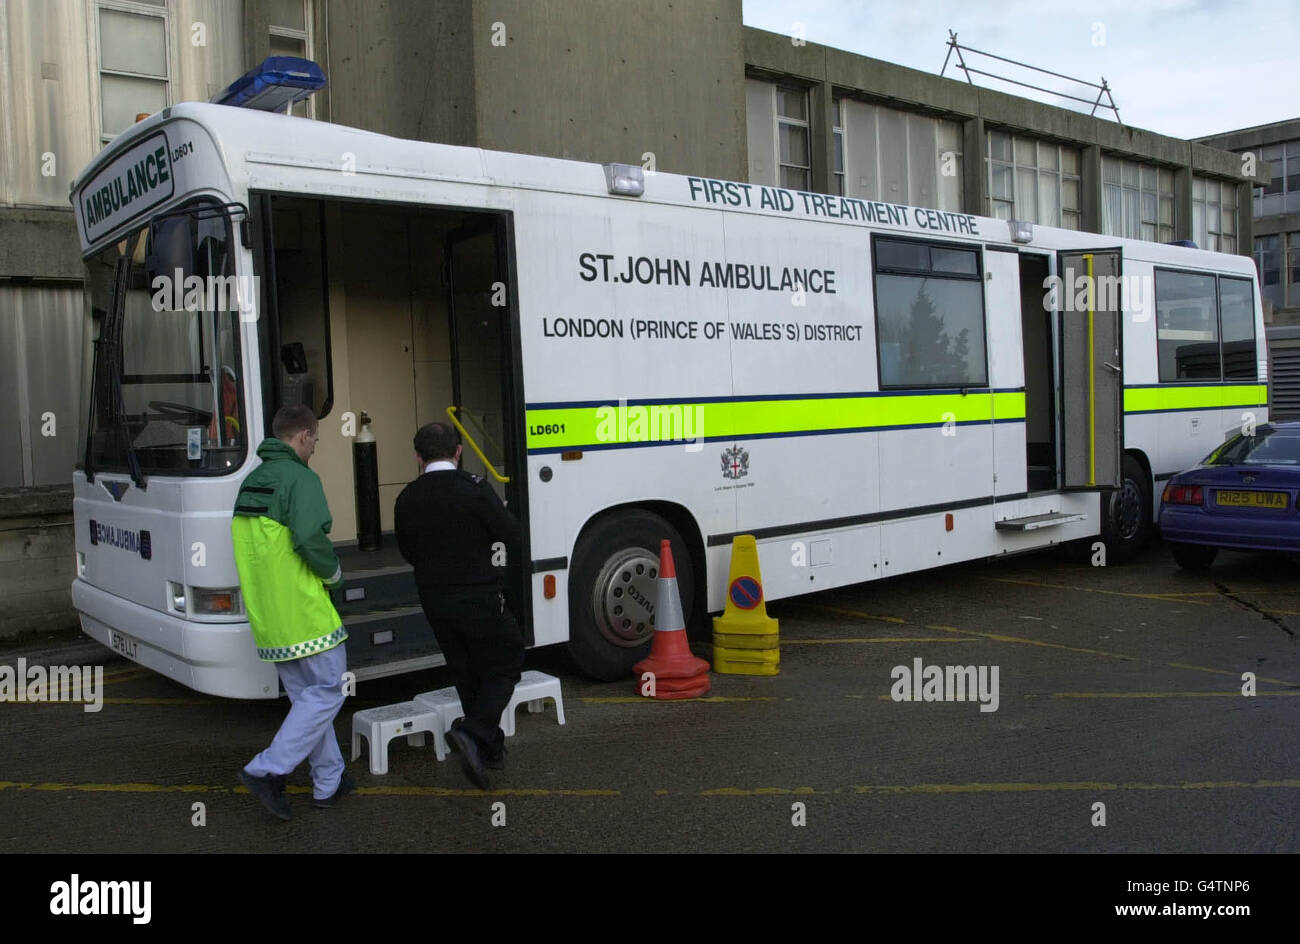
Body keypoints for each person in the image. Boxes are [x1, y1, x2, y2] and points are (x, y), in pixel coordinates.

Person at [231, 404, 353, 819]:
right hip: (305, 612)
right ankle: (268, 769)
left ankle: (329, 781)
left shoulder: (252, 482)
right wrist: (335, 575)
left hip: (270, 618)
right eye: (316, 439)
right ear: (302, 436)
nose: (316, 447)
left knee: (308, 700)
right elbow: (309, 539)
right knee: (330, 691)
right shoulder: (299, 479)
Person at [394, 422, 525, 789]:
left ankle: (490, 751)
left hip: (434, 598)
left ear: (418, 457)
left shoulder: (406, 498)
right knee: (507, 660)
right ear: (458, 451)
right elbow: (510, 534)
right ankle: (473, 732)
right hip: (479, 595)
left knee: (467, 672)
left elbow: (408, 550)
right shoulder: (476, 490)